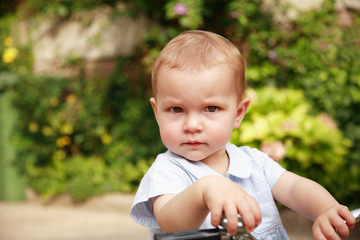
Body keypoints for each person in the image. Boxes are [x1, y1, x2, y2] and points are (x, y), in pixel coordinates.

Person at [130, 30, 355, 240]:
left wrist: (324, 208)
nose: (192, 125)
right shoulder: (167, 170)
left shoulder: (252, 162)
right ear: (157, 112)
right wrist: (205, 190)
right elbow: (173, 224)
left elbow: (294, 188)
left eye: (211, 109)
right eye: (176, 110)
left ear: (238, 113)